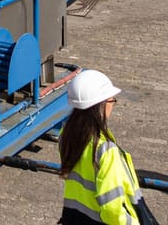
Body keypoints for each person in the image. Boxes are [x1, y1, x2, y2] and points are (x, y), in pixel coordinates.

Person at [58, 69, 152, 225]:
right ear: (100, 105)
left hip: (74, 218)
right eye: (111, 100)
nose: (113, 104)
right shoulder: (105, 150)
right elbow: (112, 209)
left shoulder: (67, 135)